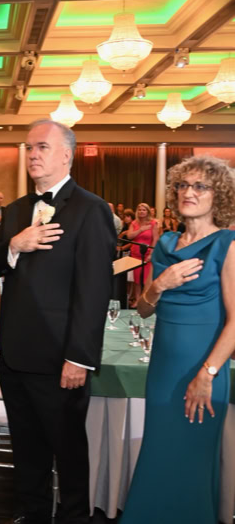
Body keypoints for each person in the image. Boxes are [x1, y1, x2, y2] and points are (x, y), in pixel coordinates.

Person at [0, 119, 115, 524]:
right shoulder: (14, 211)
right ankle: (33, 514)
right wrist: (14, 245)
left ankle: (74, 517)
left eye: (42, 147)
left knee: (69, 451)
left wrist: (79, 357)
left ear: (66, 154)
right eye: (29, 148)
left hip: (61, 358)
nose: (32, 155)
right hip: (15, 356)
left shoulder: (91, 209)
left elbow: (94, 291)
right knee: (27, 450)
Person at [120, 155, 235, 523]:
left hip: (204, 371)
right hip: (163, 371)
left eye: (201, 186)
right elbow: (143, 310)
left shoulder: (228, 244)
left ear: (219, 195)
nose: (189, 192)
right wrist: (159, 284)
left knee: (191, 462)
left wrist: (207, 374)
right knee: (159, 454)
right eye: (183, 185)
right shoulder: (166, 243)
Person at [126, 202, 160, 307]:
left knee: (146, 280)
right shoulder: (134, 223)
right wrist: (140, 230)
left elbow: (155, 239)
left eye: (144, 210)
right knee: (136, 280)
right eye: (140, 210)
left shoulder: (153, 223)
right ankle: (137, 300)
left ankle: (145, 301)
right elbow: (129, 236)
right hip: (135, 254)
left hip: (147, 254)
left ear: (148, 212)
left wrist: (151, 253)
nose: (141, 211)